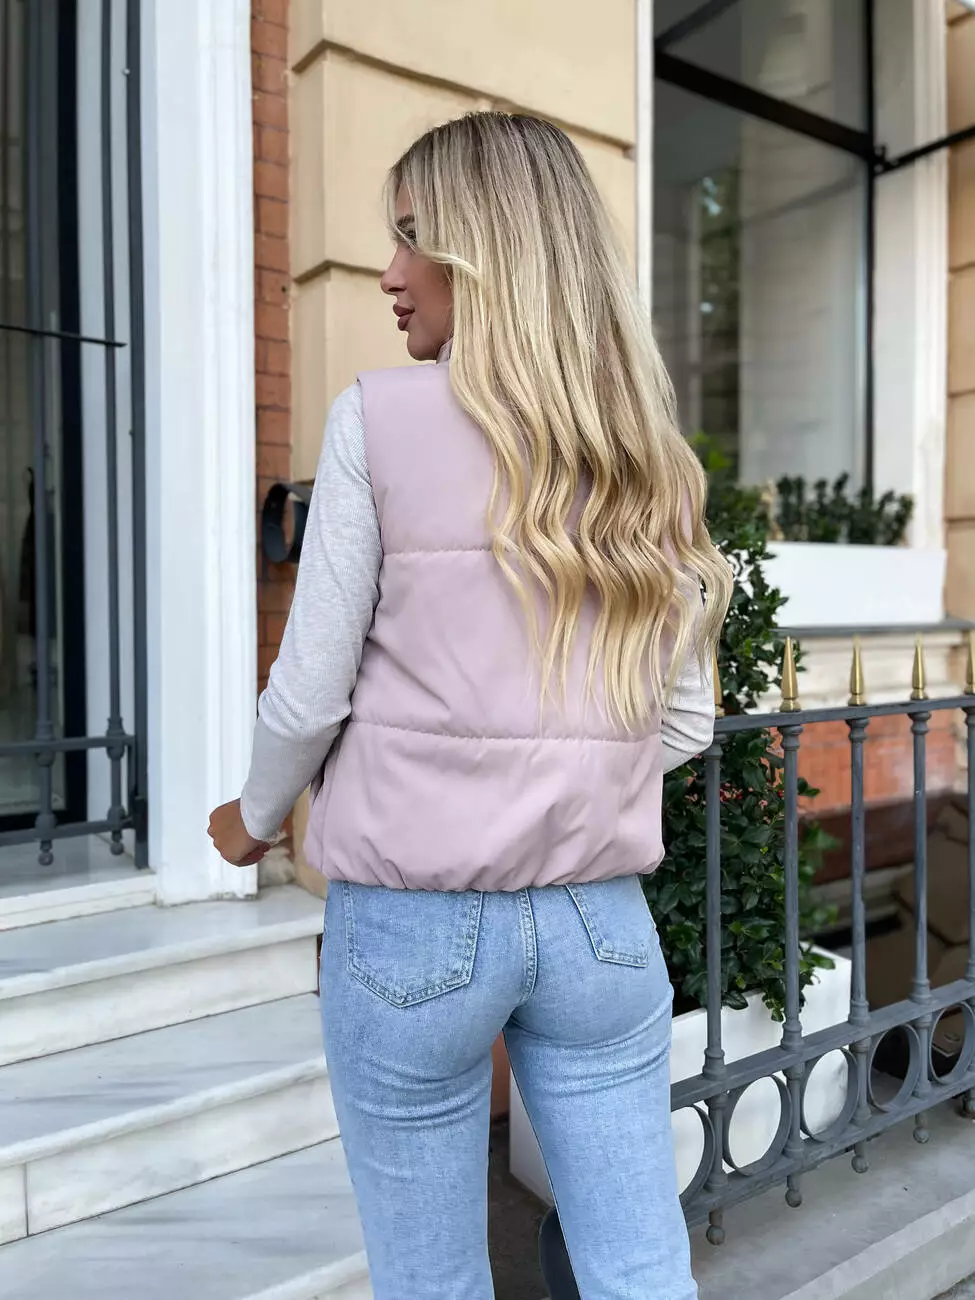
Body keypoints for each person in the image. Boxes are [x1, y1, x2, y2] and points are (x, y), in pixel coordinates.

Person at [209, 112, 731, 1300]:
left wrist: (250, 819)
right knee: (642, 1268)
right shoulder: (641, 451)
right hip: (600, 923)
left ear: (485, 252)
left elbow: (310, 691)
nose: (390, 272)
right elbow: (685, 724)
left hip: (414, 923)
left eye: (413, 238)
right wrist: (562, 784)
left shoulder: (378, 420)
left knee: (431, 1280)